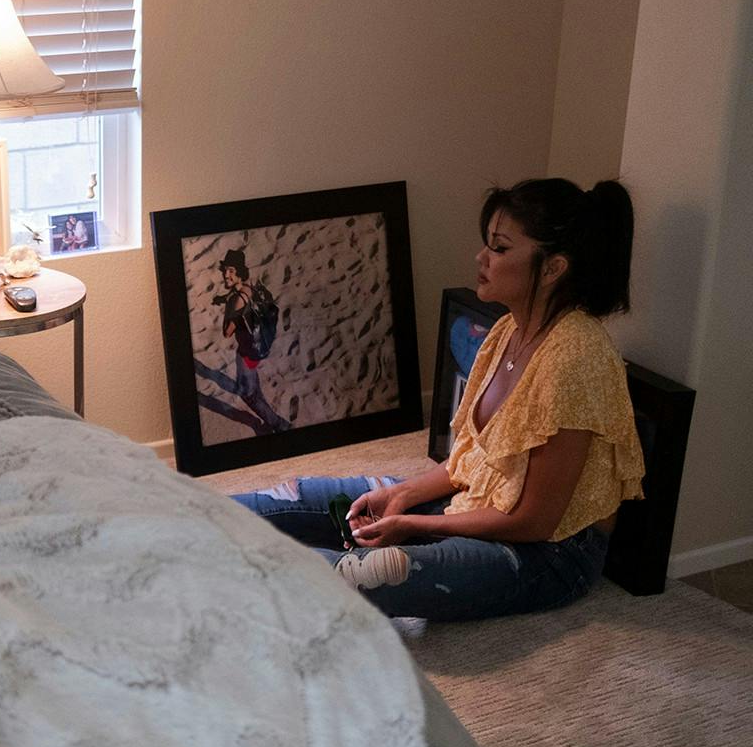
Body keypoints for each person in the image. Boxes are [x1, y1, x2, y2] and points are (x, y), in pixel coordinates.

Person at [231, 179, 645, 620]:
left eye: (500, 249)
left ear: (553, 268)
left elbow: (536, 521)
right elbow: (474, 462)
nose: (481, 258)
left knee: (357, 572)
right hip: (478, 504)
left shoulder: (577, 358)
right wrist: (403, 495)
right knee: (297, 499)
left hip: (549, 553)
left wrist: (411, 525)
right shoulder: (508, 331)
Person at [195, 247, 290, 434]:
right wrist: (225, 299)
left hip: (246, 354)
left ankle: (279, 424)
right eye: (224, 271)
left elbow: (227, 332)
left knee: (249, 396)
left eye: (231, 271)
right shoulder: (250, 288)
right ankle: (267, 409)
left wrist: (230, 311)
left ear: (239, 273)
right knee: (253, 388)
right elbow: (243, 300)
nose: (226, 275)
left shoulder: (236, 301)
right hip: (258, 348)